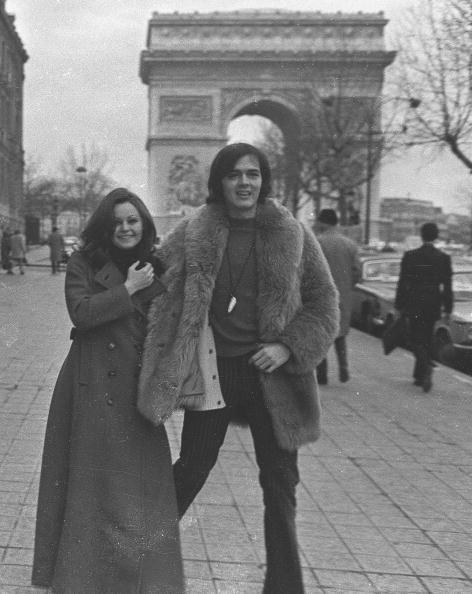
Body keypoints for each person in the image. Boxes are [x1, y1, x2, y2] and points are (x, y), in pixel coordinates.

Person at [138, 143, 339, 594]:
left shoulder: (295, 234)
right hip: (215, 373)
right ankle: (136, 563)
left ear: (264, 181)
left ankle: (285, 587)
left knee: (280, 482)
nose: (245, 183)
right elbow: (152, 276)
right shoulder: (195, 230)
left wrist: (288, 347)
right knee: (191, 468)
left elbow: (325, 306)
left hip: (273, 377)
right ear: (219, 183)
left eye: (253, 174)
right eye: (234, 175)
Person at [32, 188, 184, 593]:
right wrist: (129, 289)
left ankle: (138, 578)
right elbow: (80, 314)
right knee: (88, 484)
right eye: (117, 222)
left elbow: (170, 327)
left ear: (145, 224)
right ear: (105, 226)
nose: (126, 228)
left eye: (133, 220)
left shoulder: (158, 266)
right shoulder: (83, 262)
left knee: (138, 487)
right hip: (91, 384)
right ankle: (81, 576)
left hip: (137, 391)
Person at [395, 222, 453, 392]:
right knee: (426, 339)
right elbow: (447, 286)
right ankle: (419, 376)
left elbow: (402, 282)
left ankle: (425, 368)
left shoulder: (410, 256)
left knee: (414, 339)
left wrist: (399, 304)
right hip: (433, 304)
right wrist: (448, 309)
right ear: (436, 237)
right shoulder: (443, 258)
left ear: (421, 235)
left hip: (414, 303)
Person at [314, 209, 361, 384]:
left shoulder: (317, 242)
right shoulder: (350, 245)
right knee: (340, 334)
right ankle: (343, 368)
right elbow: (357, 271)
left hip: (322, 295)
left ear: (323, 222)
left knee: (321, 335)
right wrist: (348, 285)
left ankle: (322, 375)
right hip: (344, 295)